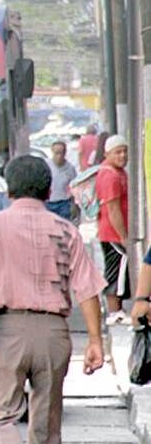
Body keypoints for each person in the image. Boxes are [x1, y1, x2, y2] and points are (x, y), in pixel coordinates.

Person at [0, 155, 105, 444]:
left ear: (9, 190)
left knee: (0, 417)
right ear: (49, 192)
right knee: (47, 426)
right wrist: (95, 340)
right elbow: (87, 289)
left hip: (6, 331)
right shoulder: (66, 231)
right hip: (53, 335)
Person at [97, 135, 130, 325]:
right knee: (116, 270)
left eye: (124, 151)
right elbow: (113, 208)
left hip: (112, 232)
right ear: (107, 154)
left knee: (119, 269)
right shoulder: (110, 175)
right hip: (113, 233)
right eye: (118, 152)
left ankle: (117, 308)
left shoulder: (118, 173)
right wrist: (123, 235)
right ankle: (113, 310)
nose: (123, 155)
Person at [45, 140, 78, 221]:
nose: (59, 156)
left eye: (62, 153)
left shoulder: (70, 168)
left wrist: (74, 205)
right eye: (57, 153)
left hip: (64, 203)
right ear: (52, 152)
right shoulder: (46, 166)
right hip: (48, 203)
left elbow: (74, 188)